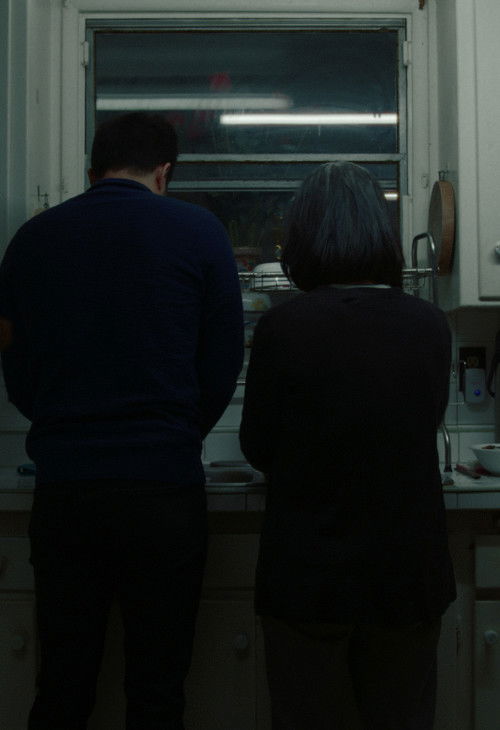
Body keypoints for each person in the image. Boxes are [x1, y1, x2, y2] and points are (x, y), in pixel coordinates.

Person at [0, 111, 244, 730]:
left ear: (92, 172)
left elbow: (17, 369)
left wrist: (62, 424)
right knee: (157, 691)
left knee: (63, 685)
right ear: (164, 173)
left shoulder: (33, 240)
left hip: (67, 491)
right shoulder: (200, 232)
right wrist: (178, 432)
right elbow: (222, 364)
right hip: (163, 491)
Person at [239, 162, 455, 730]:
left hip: (306, 579)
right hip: (406, 576)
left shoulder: (282, 329)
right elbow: (424, 423)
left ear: (304, 238)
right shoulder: (428, 324)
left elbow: (258, 446)